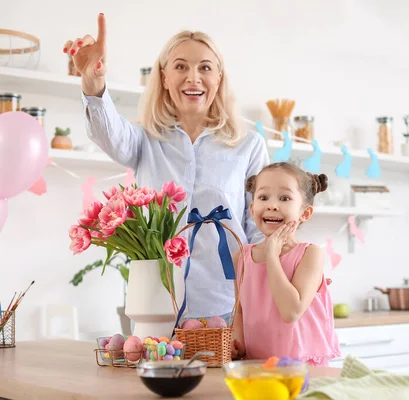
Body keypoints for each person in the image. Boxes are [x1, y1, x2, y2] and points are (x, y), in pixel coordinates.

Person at [63, 13, 269, 323]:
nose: (193, 78)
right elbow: (108, 133)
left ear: (219, 77)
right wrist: (93, 83)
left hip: (227, 306)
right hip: (158, 303)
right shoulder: (145, 140)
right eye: (181, 66)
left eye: (205, 68)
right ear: (164, 76)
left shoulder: (248, 145)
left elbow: (259, 228)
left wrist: (263, 295)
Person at [231, 162, 341, 366]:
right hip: (258, 365)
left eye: (284, 198)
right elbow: (240, 311)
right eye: (263, 197)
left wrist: (272, 256)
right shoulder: (241, 257)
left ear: (305, 213)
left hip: (303, 368)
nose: (272, 205)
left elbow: (291, 311)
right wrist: (239, 344)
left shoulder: (310, 254)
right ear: (253, 209)